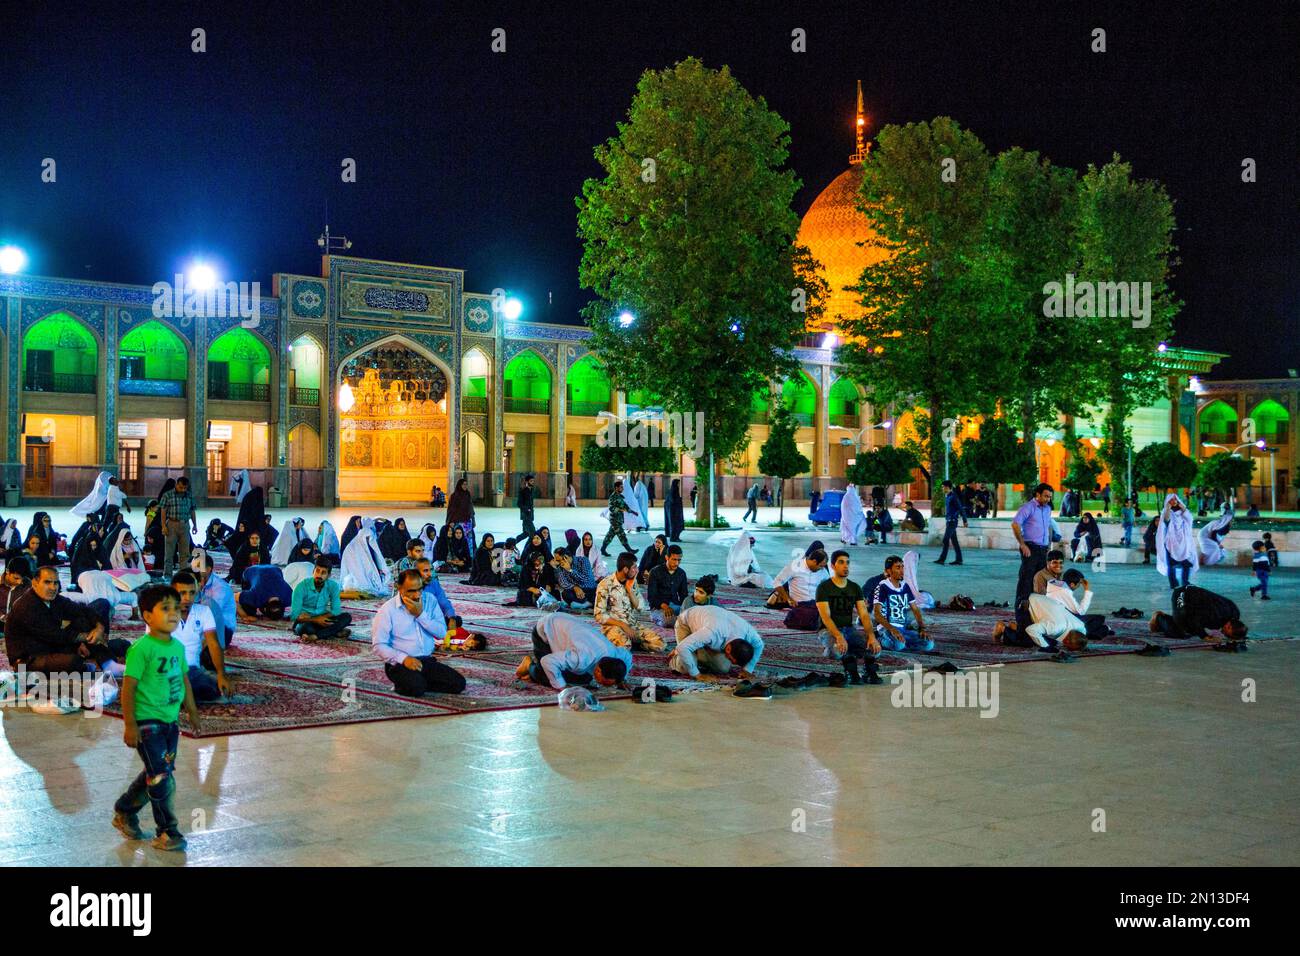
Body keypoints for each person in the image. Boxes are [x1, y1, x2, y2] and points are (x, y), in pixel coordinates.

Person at [112, 584, 201, 852]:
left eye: (176, 607)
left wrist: (192, 709)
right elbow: (128, 687)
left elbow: (183, 677)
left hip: (169, 722)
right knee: (162, 777)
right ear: (147, 616)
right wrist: (129, 725)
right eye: (165, 608)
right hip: (146, 721)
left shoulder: (176, 647)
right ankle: (167, 832)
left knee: (157, 772)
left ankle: (125, 810)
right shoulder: (142, 649)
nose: (174, 613)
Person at [5, 566, 124, 673]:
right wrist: (86, 638)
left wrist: (99, 628)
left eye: (56, 583)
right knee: (73, 662)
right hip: (29, 658)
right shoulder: (26, 606)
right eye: (47, 582)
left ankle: (108, 663)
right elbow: (54, 635)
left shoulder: (55, 599)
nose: (53, 587)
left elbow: (82, 610)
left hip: (55, 646)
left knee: (101, 605)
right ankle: (92, 663)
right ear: (35, 583)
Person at [371, 569, 467, 697]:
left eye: (420, 589)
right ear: (399, 588)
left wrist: (420, 615)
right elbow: (379, 645)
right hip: (399, 663)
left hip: (425, 660)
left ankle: (418, 681)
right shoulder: (387, 610)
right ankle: (408, 682)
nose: (417, 595)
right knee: (416, 689)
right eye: (411, 591)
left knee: (458, 684)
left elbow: (441, 633)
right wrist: (404, 659)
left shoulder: (430, 601)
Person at [815, 550, 881, 685]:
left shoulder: (855, 587)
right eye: (841, 562)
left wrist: (871, 636)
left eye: (847, 563)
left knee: (875, 649)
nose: (845, 566)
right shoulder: (824, 587)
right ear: (833, 566)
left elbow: (863, 614)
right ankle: (850, 668)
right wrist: (839, 636)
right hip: (828, 630)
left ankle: (869, 671)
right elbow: (825, 617)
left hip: (849, 629)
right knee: (837, 651)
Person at [516, 612, 630, 689]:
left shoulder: (614, 654)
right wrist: (562, 688)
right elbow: (548, 661)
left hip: (564, 623)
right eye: (604, 683)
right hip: (545, 630)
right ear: (598, 671)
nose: (604, 686)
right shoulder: (581, 658)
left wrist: (622, 680)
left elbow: (628, 656)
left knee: (582, 680)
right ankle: (528, 665)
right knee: (547, 677)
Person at [170, 571, 231, 701]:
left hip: (192, 671)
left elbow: (213, 643)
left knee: (216, 689)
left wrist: (221, 674)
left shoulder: (203, 611)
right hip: (167, 670)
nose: (188, 598)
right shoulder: (161, 613)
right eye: (182, 593)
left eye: (192, 593)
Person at [669, 603, 764, 682]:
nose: (731, 661)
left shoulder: (747, 633)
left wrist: (748, 669)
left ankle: (695, 647)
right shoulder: (713, 632)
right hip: (686, 624)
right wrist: (698, 675)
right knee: (684, 667)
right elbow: (683, 647)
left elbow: (759, 645)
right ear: (728, 648)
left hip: (707, 626)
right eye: (730, 659)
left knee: (723, 668)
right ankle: (677, 655)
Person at [593, 551, 665, 651]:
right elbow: (599, 615)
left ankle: (632, 643)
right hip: (613, 627)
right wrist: (623, 625)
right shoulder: (605, 584)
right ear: (625, 569)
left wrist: (629, 590)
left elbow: (640, 608)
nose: (637, 570)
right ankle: (619, 641)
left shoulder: (632, 582)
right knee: (624, 647)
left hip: (632, 625)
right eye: (634, 567)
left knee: (660, 644)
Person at [870, 554, 934, 652]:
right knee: (898, 645)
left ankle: (901, 644)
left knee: (928, 644)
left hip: (902, 630)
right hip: (886, 629)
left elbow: (915, 609)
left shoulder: (905, 586)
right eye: (898, 568)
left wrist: (922, 629)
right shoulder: (882, 587)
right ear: (889, 571)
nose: (902, 571)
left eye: (903, 567)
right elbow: (877, 614)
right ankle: (879, 639)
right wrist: (892, 630)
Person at [1149, 585, 1248, 642]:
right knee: (1181, 629)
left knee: (1192, 629)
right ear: (1229, 625)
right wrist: (1204, 636)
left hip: (1194, 597)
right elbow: (1195, 619)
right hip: (1183, 594)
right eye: (1227, 632)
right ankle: (1159, 618)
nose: (1225, 633)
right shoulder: (1215, 617)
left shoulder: (1235, 613)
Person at [1012, 483, 1055, 608]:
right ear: (1038, 494)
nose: (1048, 499)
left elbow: (1048, 527)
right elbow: (1015, 524)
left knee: (1040, 579)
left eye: (1050, 497)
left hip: (1043, 548)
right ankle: (1021, 606)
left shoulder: (1047, 509)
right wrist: (1022, 544)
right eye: (1046, 496)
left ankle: (1036, 607)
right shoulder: (1028, 507)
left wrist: (1049, 545)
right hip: (1030, 547)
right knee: (1027, 578)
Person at [291, 557, 354, 641]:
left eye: (323, 573)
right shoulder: (301, 587)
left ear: (329, 575)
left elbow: (336, 610)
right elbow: (295, 616)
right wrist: (316, 619)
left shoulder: (333, 586)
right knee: (306, 629)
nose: (319, 575)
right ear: (313, 571)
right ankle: (334, 632)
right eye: (317, 571)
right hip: (307, 621)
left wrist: (321, 618)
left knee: (347, 617)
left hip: (323, 619)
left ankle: (315, 636)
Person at [193, 551, 237, 650]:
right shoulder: (198, 583)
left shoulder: (220, 587)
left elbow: (211, 613)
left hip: (223, 630)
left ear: (208, 569)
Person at [158, 476, 198, 579]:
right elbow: (163, 511)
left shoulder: (189, 495)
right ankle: (167, 575)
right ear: (176, 484)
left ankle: (183, 574)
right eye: (180, 487)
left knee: (185, 553)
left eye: (185, 488)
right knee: (169, 552)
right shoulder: (168, 495)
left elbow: (192, 510)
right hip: (171, 524)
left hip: (185, 525)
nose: (182, 490)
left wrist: (195, 525)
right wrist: (163, 526)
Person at [340, 517, 390, 597]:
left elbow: (374, 561)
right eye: (366, 538)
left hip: (367, 574)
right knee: (361, 586)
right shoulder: (352, 547)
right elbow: (355, 567)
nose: (368, 540)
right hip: (354, 574)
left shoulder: (369, 545)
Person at [1156, 493, 1197, 589]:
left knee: (1186, 564)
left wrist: (1183, 507)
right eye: (1171, 500)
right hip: (1171, 543)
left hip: (1183, 542)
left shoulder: (1182, 511)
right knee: (1171, 565)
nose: (1174, 501)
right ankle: (1173, 584)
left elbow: (1190, 519)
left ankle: (1185, 582)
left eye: (1175, 499)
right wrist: (1167, 508)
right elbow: (1166, 520)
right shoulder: (1166, 511)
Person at [237, 553, 292, 621]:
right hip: (250, 571)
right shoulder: (255, 596)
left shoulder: (289, 597)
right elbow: (232, 597)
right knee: (249, 610)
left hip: (275, 569)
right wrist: (244, 616)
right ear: (264, 608)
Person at [647, 544, 688, 625]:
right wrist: (665, 606)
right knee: (668, 621)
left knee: (692, 615)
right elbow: (651, 597)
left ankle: (681, 620)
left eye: (679, 560)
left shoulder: (681, 573)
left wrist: (686, 609)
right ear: (666, 557)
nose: (676, 563)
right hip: (658, 608)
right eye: (674, 559)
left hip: (675, 606)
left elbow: (684, 595)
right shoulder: (655, 572)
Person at [934, 480, 967, 565]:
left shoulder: (953, 496)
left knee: (945, 539)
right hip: (949, 521)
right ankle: (959, 560)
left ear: (947, 487)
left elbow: (960, 508)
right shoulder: (947, 496)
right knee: (954, 541)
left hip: (952, 521)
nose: (942, 488)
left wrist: (965, 520)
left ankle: (942, 559)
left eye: (943, 487)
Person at [600, 479, 635, 556]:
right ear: (616, 488)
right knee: (622, 535)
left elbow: (624, 505)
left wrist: (630, 511)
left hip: (618, 519)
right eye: (621, 487)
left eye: (622, 487)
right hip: (615, 520)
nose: (622, 489)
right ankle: (629, 550)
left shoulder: (619, 496)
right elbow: (611, 508)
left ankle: (603, 549)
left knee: (610, 535)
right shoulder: (613, 497)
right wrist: (619, 510)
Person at [0, 563, 31, 636]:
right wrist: (2, 616)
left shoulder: (27, 584)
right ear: (7, 571)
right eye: (16, 578)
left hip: (19, 625)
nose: (19, 582)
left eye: (21, 579)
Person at [664, 478, 685, 542]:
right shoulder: (674, 490)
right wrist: (679, 500)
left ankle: (674, 537)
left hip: (672, 511)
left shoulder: (671, 491)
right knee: (675, 524)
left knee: (673, 524)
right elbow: (673, 500)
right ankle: (674, 537)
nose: (679, 485)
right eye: (678, 483)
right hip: (674, 512)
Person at [517, 473, 537, 539]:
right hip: (525, 515)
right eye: (531, 481)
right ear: (527, 481)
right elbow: (519, 504)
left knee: (525, 533)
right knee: (533, 532)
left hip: (530, 515)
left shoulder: (531, 491)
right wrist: (527, 509)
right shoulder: (523, 491)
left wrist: (531, 511)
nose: (532, 482)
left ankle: (512, 543)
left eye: (533, 481)